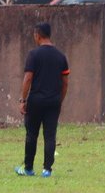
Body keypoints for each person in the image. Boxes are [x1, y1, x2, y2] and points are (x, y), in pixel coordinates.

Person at [15, 22, 69, 178]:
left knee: (32, 134)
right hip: (53, 101)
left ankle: (29, 169)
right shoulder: (61, 56)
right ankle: (47, 170)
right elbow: (65, 82)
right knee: (50, 135)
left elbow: (28, 78)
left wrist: (22, 100)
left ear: (37, 35)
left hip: (36, 101)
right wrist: (59, 100)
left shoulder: (33, 55)